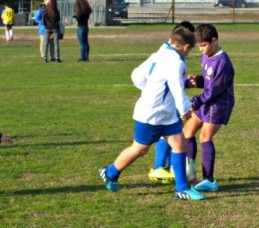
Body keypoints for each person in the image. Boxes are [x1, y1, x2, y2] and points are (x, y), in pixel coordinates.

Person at [98, 28, 205, 200]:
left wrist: (152, 89)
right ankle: (110, 172)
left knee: (179, 145)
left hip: (165, 113)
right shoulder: (176, 62)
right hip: (152, 114)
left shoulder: (159, 53)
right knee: (139, 149)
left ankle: (181, 189)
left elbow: (137, 76)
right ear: (185, 47)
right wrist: (185, 109)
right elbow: (176, 89)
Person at [180, 23, 235, 192]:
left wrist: (196, 101)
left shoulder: (223, 62)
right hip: (207, 100)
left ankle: (209, 180)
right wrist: (198, 80)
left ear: (214, 41)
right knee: (187, 131)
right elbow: (208, 81)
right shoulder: (205, 56)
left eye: (204, 45)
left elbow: (214, 90)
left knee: (205, 137)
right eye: (199, 46)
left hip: (219, 104)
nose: (201, 50)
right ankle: (191, 175)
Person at [148, 21, 196, 184]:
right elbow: (175, 84)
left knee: (170, 135)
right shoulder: (173, 58)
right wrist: (184, 107)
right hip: (166, 101)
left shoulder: (165, 51)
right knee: (167, 134)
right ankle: (160, 167)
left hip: (162, 99)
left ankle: (164, 168)